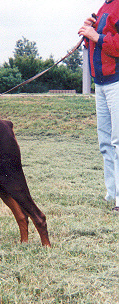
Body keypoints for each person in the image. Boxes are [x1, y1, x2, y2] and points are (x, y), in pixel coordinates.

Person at [79, 1, 119, 212]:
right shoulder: (105, 7)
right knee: (106, 143)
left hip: (116, 82)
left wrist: (97, 36)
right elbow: (95, 46)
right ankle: (111, 194)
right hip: (101, 83)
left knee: (118, 141)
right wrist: (89, 34)